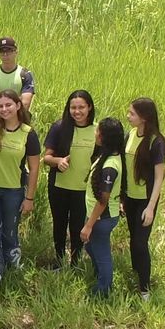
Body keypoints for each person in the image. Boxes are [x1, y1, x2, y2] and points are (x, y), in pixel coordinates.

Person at [0, 88, 42, 285]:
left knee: (10, 232)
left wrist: (29, 198)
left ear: (18, 106)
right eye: (0, 106)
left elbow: (34, 169)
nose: (4, 109)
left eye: (8, 105)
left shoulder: (28, 134)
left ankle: (14, 270)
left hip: (13, 191)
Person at [42, 90, 98, 269]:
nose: (77, 111)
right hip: (59, 186)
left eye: (81, 107)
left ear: (89, 107)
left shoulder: (97, 131)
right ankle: (58, 260)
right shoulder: (59, 127)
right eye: (73, 107)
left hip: (83, 189)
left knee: (77, 227)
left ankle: (75, 262)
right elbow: (46, 158)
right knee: (59, 224)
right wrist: (58, 161)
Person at [123, 98, 165, 300]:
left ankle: (144, 288)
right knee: (133, 239)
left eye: (132, 113)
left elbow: (159, 176)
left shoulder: (156, 142)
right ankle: (136, 272)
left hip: (145, 199)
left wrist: (150, 207)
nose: (128, 116)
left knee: (141, 242)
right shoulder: (130, 134)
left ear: (144, 117)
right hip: (130, 197)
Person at [79, 118, 129, 299]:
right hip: (98, 217)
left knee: (102, 254)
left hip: (102, 218)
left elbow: (103, 200)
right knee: (91, 247)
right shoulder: (108, 155)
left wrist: (89, 225)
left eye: (97, 130)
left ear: (103, 136)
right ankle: (100, 277)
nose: (94, 133)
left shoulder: (109, 166)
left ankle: (103, 290)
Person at [0, 37, 36, 111]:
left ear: (16, 52)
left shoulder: (25, 75)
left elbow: (25, 103)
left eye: (9, 51)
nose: (5, 55)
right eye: (2, 51)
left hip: (18, 118)